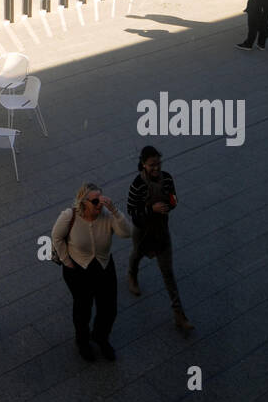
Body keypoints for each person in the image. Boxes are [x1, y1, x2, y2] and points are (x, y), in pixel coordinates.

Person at [52, 183, 131, 361]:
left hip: (103, 266)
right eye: (95, 201)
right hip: (78, 269)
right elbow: (56, 237)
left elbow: (127, 233)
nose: (99, 204)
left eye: (101, 200)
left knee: (109, 309)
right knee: (83, 309)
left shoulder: (108, 216)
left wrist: (115, 211)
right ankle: (82, 342)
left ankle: (101, 337)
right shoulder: (69, 216)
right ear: (84, 202)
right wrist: (66, 260)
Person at [126, 145, 194, 332]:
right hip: (143, 231)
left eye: (158, 164)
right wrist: (151, 209)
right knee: (137, 254)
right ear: (143, 165)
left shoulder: (167, 178)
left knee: (168, 272)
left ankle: (179, 314)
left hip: (161, 230)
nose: (156, 168)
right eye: (151, 165)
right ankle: (132, 274)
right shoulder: (137, 184)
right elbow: (132, 211)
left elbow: (174, 199)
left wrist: (170, 205)